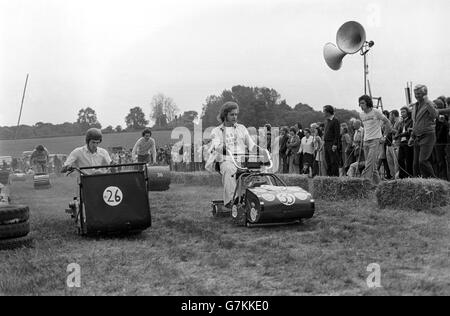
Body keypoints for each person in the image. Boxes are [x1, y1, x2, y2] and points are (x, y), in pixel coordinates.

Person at [206, 101, 257, 208]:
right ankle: (232, 202)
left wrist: (262, 151)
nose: (235, 117)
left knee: (261, 169)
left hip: (242, 161)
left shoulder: (242, 128)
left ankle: (264, 199)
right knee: (229, 169)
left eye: (236, 114)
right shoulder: (216, 131)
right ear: (225, 115)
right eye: (232, 114)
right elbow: (216, 145)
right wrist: (221, 147)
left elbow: (252, 145)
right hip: (226, 160)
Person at [359, 95, 392, 185]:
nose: (361, 105)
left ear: (368, 103)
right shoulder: (361, 114)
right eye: (360, 103)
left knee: (369, 163)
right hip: (366, 141)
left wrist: (384, 136)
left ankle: (365, 184)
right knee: (372, 166)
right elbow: (366, 127)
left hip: (375, 140)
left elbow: (388, 122)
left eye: (363, 103)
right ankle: (379, 186)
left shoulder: (376, 112)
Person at [409, 85, 439, 178]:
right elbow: (415, 123)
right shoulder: (414, 106)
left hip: (428, 135)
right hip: (417, 136)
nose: (417, 96)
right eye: (415, 94)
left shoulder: (430, 103)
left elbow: (435, 115)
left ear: (425, 94)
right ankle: (418, 183)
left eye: (419, 93)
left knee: (423, 161)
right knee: (416, 164)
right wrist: (412, 136)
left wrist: (427, 101)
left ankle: (433, 181)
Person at [395, 107, 414, 179]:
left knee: (409, 160)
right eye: (401, 112)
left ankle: (410, 176)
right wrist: (397, 135)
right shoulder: (402, 122)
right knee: (400, 159)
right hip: (402, 142)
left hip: (408, 142)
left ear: (407, 112)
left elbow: (409, 132)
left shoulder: (411, 120)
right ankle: (402, 177)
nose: (402, 113)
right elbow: (399, 131)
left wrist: (399, 135)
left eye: (403, 112)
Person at [323, 105, 340, 177]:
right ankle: (329, 176)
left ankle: (335, 176)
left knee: (333, 161)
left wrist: (335, 144)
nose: (323, 113)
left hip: (332, 143)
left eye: (324, 111)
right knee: (328, 161)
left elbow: (337, 134)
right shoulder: (327, 121)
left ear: (328, 112)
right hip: (326, 143)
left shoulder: (335, 121)